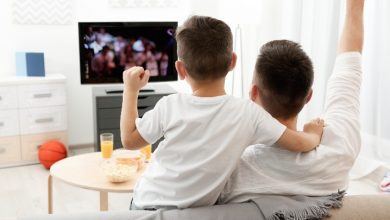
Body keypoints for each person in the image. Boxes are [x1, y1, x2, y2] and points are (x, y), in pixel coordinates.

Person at [120, 15, 324, 210]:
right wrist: (314, 133)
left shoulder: (169, 105)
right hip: (194, 212)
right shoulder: (249, 113)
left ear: (181, 69)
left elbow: (129, 141)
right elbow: (299, 144)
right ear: (233, 62)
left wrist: (131, 90)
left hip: (145, 204)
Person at [219, 0, 364, 204]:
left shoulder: (233, 166)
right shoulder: (339, 147)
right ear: (308, 96)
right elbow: (349, 70)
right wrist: (354, 7)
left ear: (253, 92)